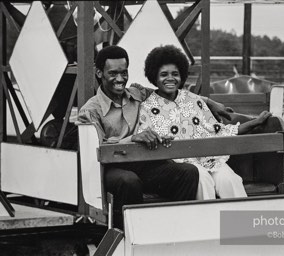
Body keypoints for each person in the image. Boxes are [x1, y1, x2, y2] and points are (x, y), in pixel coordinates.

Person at [78, 45, 232, 226]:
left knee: (189, 172)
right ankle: (130, 235)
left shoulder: (137, 93)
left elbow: (170, 91)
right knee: (129, 182)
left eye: (124, 73)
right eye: (113, 73)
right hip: (113, 168)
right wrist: (132, 139)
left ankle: (176, 228)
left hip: (144, 163)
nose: (120, 79)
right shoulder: (90, 111)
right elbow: (96, 152)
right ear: (99, 73)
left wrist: (209, 102)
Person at [138, 45, 272, 200]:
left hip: (208, 159)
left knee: (230, 180)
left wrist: (254, 122)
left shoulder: (193, 99)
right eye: (163, 74)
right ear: (154, 76)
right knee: (203, 180)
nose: (170, 78)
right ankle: (208, 222)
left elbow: (217, 131)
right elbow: (148, 140)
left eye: (175, 74)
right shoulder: (146, 107)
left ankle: (242, 222)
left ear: (181, 75)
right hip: (179, 166)